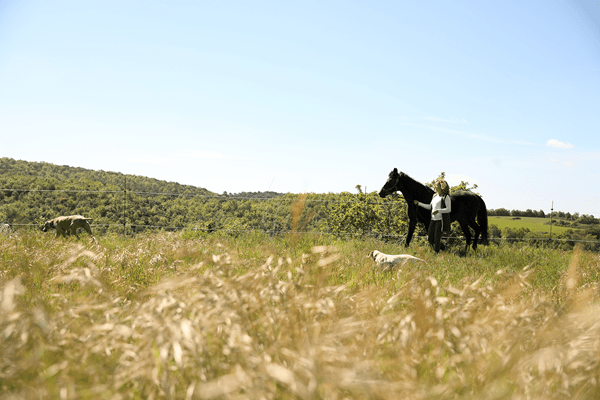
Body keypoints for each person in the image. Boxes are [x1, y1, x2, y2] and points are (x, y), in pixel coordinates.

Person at [414, 178, 451, 253]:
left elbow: (448, 209)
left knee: (436, 238)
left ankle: (436, 253)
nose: (435, 186)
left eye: (437, 185)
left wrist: (438, 211)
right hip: (432, 220)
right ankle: (443, 248)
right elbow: (429, 207)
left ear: (441, 186)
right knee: (430, 238)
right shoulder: (434, 196)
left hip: (440, 221)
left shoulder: (446, 197)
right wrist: (419, 203)